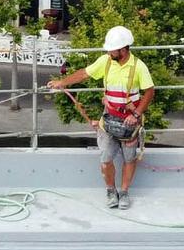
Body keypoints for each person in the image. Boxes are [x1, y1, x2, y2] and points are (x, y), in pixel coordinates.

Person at [48, 24, 154, 209]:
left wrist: (136, 115)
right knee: (105, 159)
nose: (109, 52)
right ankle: (111, 191)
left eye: (112, 49)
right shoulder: (105, 61)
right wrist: (62, 82)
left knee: (129, 158)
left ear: (123, 49)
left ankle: (124, 192)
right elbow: (83, 74)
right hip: (109, 119)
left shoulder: (138, 67)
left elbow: (149, 92)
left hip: (130, 122)